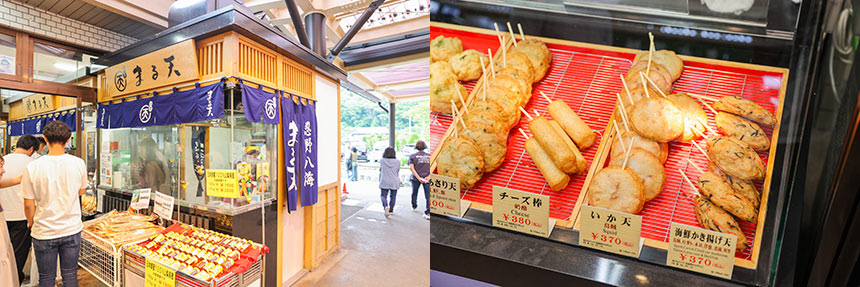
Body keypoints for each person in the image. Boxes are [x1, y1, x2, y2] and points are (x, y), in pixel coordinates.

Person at [22, 121, 88, 287]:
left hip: (44, 230)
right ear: (68, 140)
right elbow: (81, 191)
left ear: (45, 139)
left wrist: (31, 222)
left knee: (46, 278)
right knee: (70, 275)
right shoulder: (78, 163)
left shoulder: (34, 167)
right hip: (71, 229)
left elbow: (28, 203)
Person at [0, 135, 37, 283]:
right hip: (22, 215)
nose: (2, 171)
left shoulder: (5, 158)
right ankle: (14, 280)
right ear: (31, 149)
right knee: (16, 254)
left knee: (5, 254)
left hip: (4, 215)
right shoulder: (34, 163)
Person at [409, 141, 431, 220]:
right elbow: (433, 167)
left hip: (415, 178)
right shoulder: (430, 156)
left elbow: (411, 168)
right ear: (425, 147)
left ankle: (414, 206)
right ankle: (428, 212)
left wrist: (418, 178)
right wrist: (429, 176)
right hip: (427, 179)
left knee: (414, 193)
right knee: (428, 196)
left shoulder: (412, 156)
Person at [379, 147, 401, 218]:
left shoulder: (382, 161)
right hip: (394, 181)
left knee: (383, 196)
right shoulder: (397, 161)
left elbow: (380, 170)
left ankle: (385, 206)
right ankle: (391, 210)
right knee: (393, 196)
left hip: (384, 180)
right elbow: (397, 171)